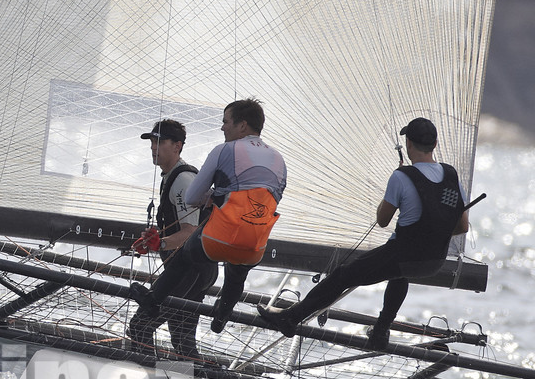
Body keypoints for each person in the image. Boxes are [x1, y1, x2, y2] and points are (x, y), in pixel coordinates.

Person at [259, 117, 469, 348]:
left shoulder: (401, 177)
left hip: (403, 255)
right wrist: (431, 234)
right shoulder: (451, 176)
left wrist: (398, 186)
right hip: (434, 261)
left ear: (408, 143)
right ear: (435, 144)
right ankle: (380, 331)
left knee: (342, 276)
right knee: (399, 275)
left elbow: (382, 220)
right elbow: (462, 227)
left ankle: (290, 318)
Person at [127, 98, 286, 350]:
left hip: (208, 253)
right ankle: (220, 317)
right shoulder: (278, 159)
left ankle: (152, 306)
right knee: (185, 335)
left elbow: (192, 205)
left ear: (242, 125)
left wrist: (212, 196)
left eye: (225, 121)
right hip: (255, 245)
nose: (222, 127)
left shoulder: (220, 153)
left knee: (140, 325)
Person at [126, 119, 206, 355]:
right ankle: (191, 376)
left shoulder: (183, 180)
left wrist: (159, 243)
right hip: (191, 271)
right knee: (182, 341)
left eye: (160, 142)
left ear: (177, 146)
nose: (153, 147)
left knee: (140, 326)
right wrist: (154, 239)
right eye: (152, 142)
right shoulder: (170, 176)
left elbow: (190, 233)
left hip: (189, 272)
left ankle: (145, 372)